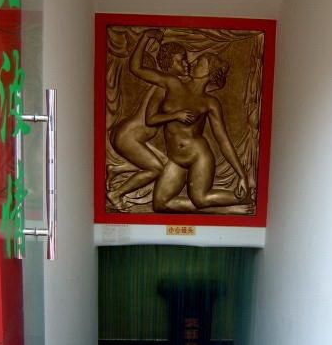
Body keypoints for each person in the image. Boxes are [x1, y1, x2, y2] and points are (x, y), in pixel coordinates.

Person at [130, 29, 252, 214]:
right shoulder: (172, 83)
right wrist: (145, 37)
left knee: (200, 199)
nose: (192, 62)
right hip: (176, 159)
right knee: (160, 205)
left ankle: (243, 200)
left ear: (208, 72)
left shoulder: (210, 102)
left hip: (198, 156)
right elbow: (136, 69)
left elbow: (223, 140)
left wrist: (241, 175)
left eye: (199, 62)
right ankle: (222, 209)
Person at [108, 39, 194, 208]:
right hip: (128, 137)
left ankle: (115, 169)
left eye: (186, 59)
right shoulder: (164, 86)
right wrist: (176, 115)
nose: (186, 63)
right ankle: (115, 194)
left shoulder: (168, 84)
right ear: (169, 64)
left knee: (165, 164)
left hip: (132, 136)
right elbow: (150, 119)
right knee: (156, 169)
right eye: (180, 60)